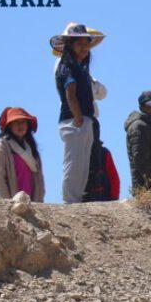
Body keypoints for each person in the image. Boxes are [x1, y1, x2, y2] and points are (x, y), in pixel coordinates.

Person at [50, 22, 105, 203]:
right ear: (69, 45)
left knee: (82, 164)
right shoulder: (67, 66)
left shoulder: (80, 68)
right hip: (74, 121)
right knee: (73, 164)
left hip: (83, 120)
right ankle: (70, 201)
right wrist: (78, 118)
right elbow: (70, 94)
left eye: (86, 44)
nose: (84, 48)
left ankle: (76, 200)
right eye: (80, 44)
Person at [0, 106, 45, 202]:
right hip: (12, 203)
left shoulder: (32, 149)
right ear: (9, 126)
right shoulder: (2, 146)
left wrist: (39, 204)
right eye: (16, 122)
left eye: (23, 122)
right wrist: (9, 203)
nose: (20, 125)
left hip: (33, 204)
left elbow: (40, 181)